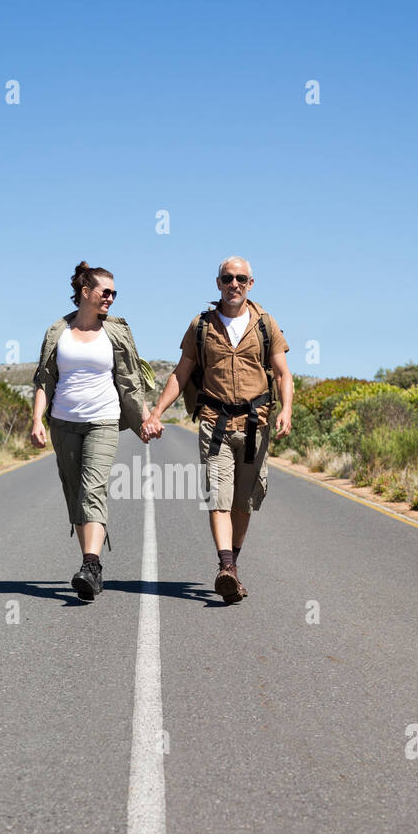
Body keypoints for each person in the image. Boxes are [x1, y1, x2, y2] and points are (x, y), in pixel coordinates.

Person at [141, 256, 293, 603]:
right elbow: (181, 373)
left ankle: (232, 567)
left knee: (243, 503)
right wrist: (156, 413)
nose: (234, 284)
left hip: (257, 424)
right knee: (218, 497)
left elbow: (283, 373)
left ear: (250, 284)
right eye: (227, 278)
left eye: (240, 278)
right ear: (218, 283)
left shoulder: (266, 324)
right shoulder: (202, 325)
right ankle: (225, 567)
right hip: (215, 423)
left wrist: (286, 409)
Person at [31, 261, 152, 601]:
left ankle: (91, 564)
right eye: (106, 292)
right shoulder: (58, 331)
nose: (111, 298)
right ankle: (90, 568)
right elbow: (44, 380)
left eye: (115, 293)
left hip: (103, 419)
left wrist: (145, 418)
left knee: (92, 489)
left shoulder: (116, 331)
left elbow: (131, 382)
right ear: (86, 293)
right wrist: (37, 420)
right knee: (75, 493)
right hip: (64, 422)